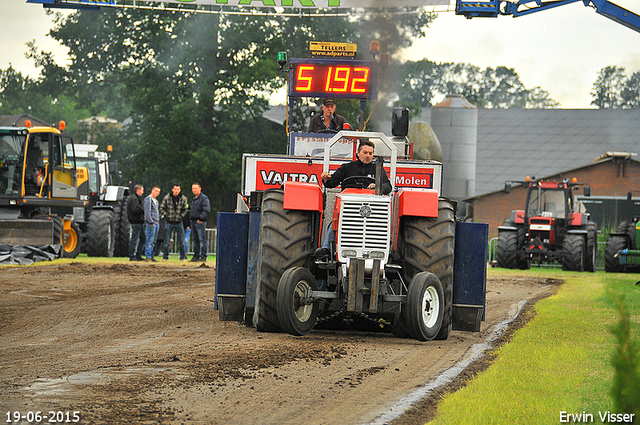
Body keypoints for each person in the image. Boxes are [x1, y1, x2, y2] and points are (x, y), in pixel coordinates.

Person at [317, 140, 392, 259]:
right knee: (335, 224)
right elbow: (331, 183)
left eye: (370, 153)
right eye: (365, 152)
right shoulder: (347, 168)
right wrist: (326, 178)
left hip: (371, 209)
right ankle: (327, 248)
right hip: (349, 208)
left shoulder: (377, 170)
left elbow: (388, 186)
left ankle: (386, 250)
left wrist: (378, 188)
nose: (368, 156)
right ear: (358, 153)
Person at [159, 183, 189, 262]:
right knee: (167, 241)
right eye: (175, 189)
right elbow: (162, 208)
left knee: (182, 241)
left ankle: (182, 257)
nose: (176, 191)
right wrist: (167, 215)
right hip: (169, 222)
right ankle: (165, 257)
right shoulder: (167, 198)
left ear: (180, 190)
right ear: (172, 189)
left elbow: (185, 210)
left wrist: (181, 216)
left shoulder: (183, 198)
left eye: (178, 189)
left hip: (179, 222)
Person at [190, 182, 210, 262]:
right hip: (194, 221)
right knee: (195, 240)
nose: (194, 190)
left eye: (196, 188)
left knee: (202, 240)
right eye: (193, 188)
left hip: (200, 222)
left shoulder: (204, 198)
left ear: (200, 189)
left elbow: (206, 210)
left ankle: (203, 256)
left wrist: (200, 219)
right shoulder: (194, 199)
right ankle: (196, 256)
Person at [127, 184, 146, 261]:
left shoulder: (133, 198)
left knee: (142, 238)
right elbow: (135, 209)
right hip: (136, 221)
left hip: (138, 222)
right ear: (138, 190)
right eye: (142, 190)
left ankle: (138, 254)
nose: (143, 192)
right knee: (135, 239)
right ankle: (132, 256)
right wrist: (143, 211)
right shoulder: (134, 199)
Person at [144, 186, 161, 262]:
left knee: (154, 240)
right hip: (151, 223)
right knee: (150, 239)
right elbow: (147, 212)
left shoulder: (155, 201)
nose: (157, 193)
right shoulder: (148, 200)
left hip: (156, 222)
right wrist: (151, 221)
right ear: (152, 190)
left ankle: (152, 255)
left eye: (158, 192)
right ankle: (148, 256)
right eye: (156, 191)